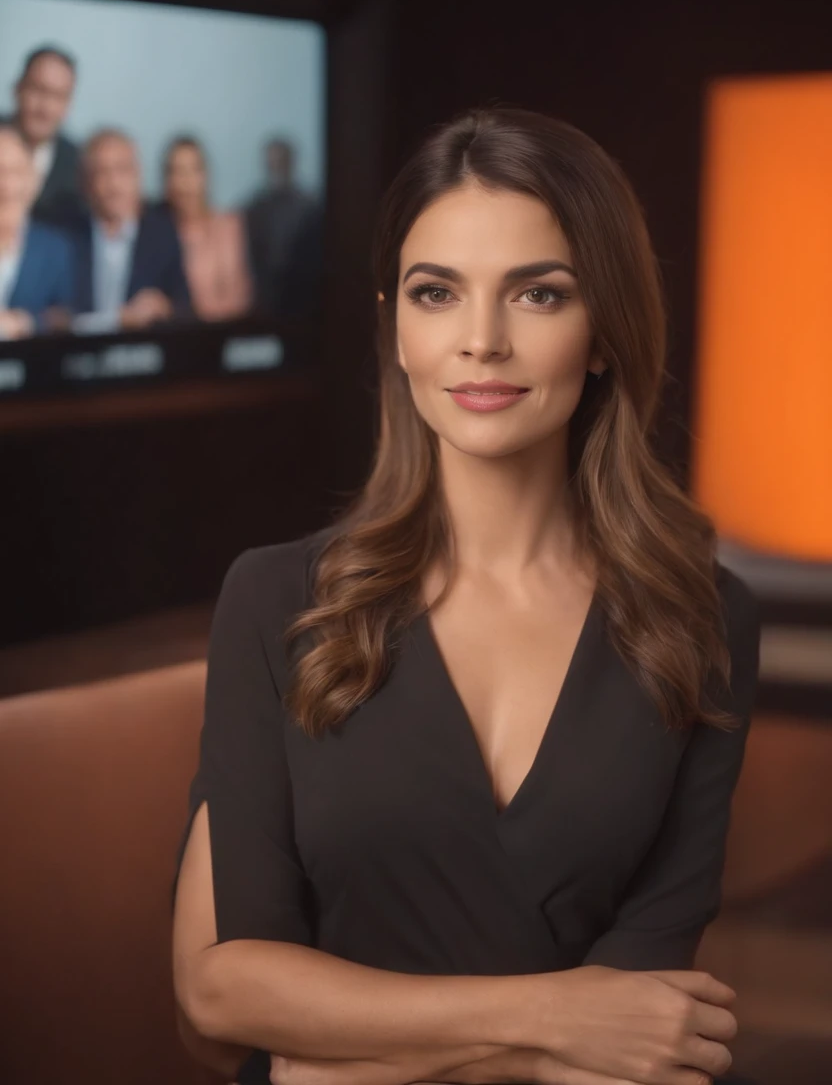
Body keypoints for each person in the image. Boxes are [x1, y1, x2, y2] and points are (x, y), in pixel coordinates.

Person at [172, 108, 761, 1085]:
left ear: (604, 331)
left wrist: (333, 1064)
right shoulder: (277, 600)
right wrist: (545, 1023)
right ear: (398, 331)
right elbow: (221, 1003)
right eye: (436, 293)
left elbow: (647, 1024)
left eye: (537, 294)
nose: (480, 340)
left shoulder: (700, 615)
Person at [72, 129, 191, 329]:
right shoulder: (67, 239)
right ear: (86, 182)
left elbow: (186, 310)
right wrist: (116, 320)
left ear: (138, 175)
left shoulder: (162, 236)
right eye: (102, 172)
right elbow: (55, 319)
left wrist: (165, 308)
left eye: (123, 170)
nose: (114, 184)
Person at [162, 135, 253, 321]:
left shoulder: (231, 226)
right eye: (177, 171)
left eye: (193, 170)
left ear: (206, 175)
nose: (186, 182)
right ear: (166, 180)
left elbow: (242, 295)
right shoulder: (157, 236)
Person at [0, 125, 75, 340]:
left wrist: (28, 322)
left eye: (14, 172)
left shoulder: (57, 248)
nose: (5, 184)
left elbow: (69, 315)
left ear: (33, 181)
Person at [0, 46, 84, 228]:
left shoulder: (79, 165)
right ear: (17, 89)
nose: (46, 107)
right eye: (38, 90)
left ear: (69, 104)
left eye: (58, 96)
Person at [243, 137, 323, 315]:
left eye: (281, 161)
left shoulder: (310, 206)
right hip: (265, 299)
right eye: (272, 162)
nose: (276, 167)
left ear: (291, 162)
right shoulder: (255, 207)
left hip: (307, 297)